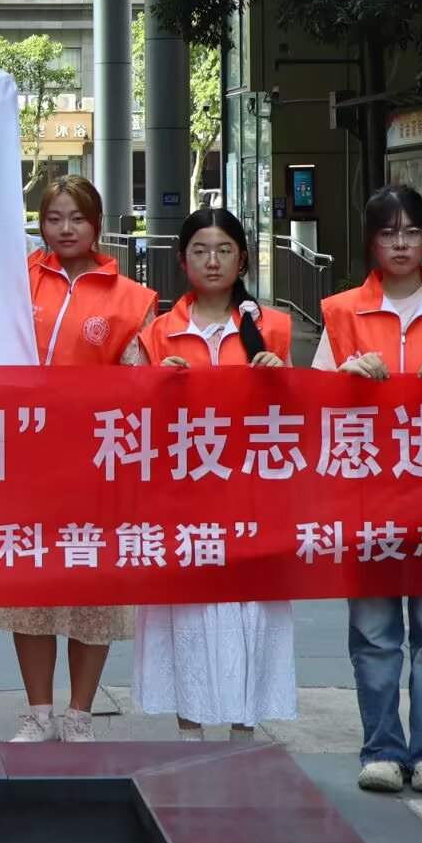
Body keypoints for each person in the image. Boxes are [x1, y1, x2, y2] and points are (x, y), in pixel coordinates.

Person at [319, 184, 422, 796]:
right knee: (374, 631)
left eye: (411, 231)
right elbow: (315, 406)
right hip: (368, 496)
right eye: (388, 232)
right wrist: (344, 377)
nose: (400, 244)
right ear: (371, 241)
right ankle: (383, 748)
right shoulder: (342, 312)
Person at [2, 175, 158, 744]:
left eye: (77, 218)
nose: (65, 229)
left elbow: (141, 382)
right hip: (26, 460)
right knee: (31, 588)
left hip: (97, 464)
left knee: (93, 586)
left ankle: (79, 715)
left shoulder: (131, 299)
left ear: (97, 225)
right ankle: (38, 713)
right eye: (54, 218)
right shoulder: (14, 282)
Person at [132, 206, 296, 743]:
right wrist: (154, 385)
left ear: (242, 259)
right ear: (182, 261)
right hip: (185, 498)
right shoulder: (159, 333)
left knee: (250, 612)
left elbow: (300, 417)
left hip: (252, 496)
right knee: (188, 614)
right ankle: (189, 734)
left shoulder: (273, 328)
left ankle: (244, 735)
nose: (212, 261)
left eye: (224, 250)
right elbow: (133, 422)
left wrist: (281, 381)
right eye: (200, 251)